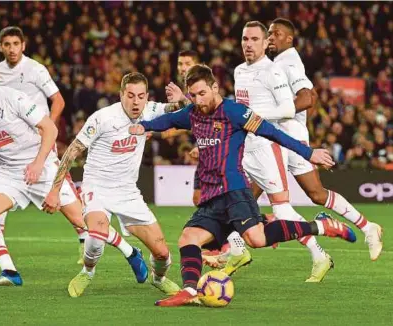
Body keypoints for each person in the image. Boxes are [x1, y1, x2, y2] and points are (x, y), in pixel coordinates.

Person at [129, 64, 357, 307]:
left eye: (202, 93)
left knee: (256, 240)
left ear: (214, 87)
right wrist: (145, 126)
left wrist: (308, 152)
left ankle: (320, 226)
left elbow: (272, 133)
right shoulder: (193, 113)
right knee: (188, 238)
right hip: (212, 196)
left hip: (235, 190)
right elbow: (169, 120)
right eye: (193, 95)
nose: (197, 100)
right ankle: (189, 290)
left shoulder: (235, 112)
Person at [43, 72, 181, 298]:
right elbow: (72, 151)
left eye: (140, 96)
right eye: (130, 95)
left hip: (128, 192)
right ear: (121, 95)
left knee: (163, 253)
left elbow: (183, 108)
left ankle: (158, 279)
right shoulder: (102, 118)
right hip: (96, 187)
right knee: (96, 237)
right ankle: (87, 272)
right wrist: (54, 190)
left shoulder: (150, 110)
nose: (135, 102)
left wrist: (181, 98)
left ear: (147, 97)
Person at [0, 54, 85, 285]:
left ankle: (129, 251)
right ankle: (10, 272)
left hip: (40, 163)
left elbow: (50, 128)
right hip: (9, 172)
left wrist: (37, 164)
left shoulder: (13, 96)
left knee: (83, 221)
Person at [267, 18, 382, 261]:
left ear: (289, 39)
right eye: (269, 33)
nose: (271, 37)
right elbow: (312, 93)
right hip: (290, 136)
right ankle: (367, 227)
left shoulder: (288, 61)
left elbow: (309, 98)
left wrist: (275, 114)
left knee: (249, 194)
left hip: (283, 138)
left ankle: (230, 246)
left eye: (276, 34)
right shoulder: (280, 61)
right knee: (317, 194)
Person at [230, 21, 332, 282]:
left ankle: (320, 248)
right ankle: (235, 249)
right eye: (245, 39)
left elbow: (288, 109)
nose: (248, 44)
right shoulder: (239, 71)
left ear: (265, 43)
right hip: (246, 147)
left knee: (283, 209)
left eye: (254, 39)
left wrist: (255, 118)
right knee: (236, 200)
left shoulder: (273, 72)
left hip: (267, 148)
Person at [0, 26, 81, 264]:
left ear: (23, 45)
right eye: (7, 44)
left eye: (15, 44)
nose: (11, 49)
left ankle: (86, 239)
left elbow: (58, 101)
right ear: (1, 47)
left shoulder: (35, 69)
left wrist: (47, 131)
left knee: (61, 195)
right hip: (10, 144)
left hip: (38, 142)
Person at [166, 50, 249, 269]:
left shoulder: (200, 91)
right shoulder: (189, 93)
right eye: (180, 63)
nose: (183, 67)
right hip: (206, 158)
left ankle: (258, 228)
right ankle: (230, 245)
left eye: (187, 63)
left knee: (219, 204)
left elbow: (213, 123)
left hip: (221, 161)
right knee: (199, 199)